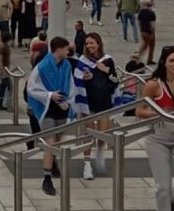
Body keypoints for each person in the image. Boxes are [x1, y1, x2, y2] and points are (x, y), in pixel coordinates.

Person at [27, 36, 75, 196]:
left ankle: (52, 161)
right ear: (58, 49)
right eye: (66, 48)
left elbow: (70, 84)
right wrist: (49, 95)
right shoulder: (42, 67)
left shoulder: (66, 65)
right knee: (51, 141)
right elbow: (32, 88)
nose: (68, 51)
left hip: (62, 107)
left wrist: (68, 101)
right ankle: (46, 178)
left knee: (58, 140)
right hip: (47, 108)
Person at [136, 45, 174, 211]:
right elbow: (139, 111)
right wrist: (159, 114)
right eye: (171, 61)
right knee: (163, 186)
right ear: (164, 63)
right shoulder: (154, 85)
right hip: (158, 139)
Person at [73, 32, 118, 180]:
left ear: (98, 44)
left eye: (92, 43)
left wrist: (106, 70)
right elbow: (76, 80)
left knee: (103, 133)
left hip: (104, 102)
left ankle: (99, 152)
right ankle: (87, 164)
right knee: (89, 133)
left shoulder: (108, 60)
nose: (89, 46)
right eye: (87, 44)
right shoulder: (82, 61)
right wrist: (84, 78)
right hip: (89, 103)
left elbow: (115, 81)